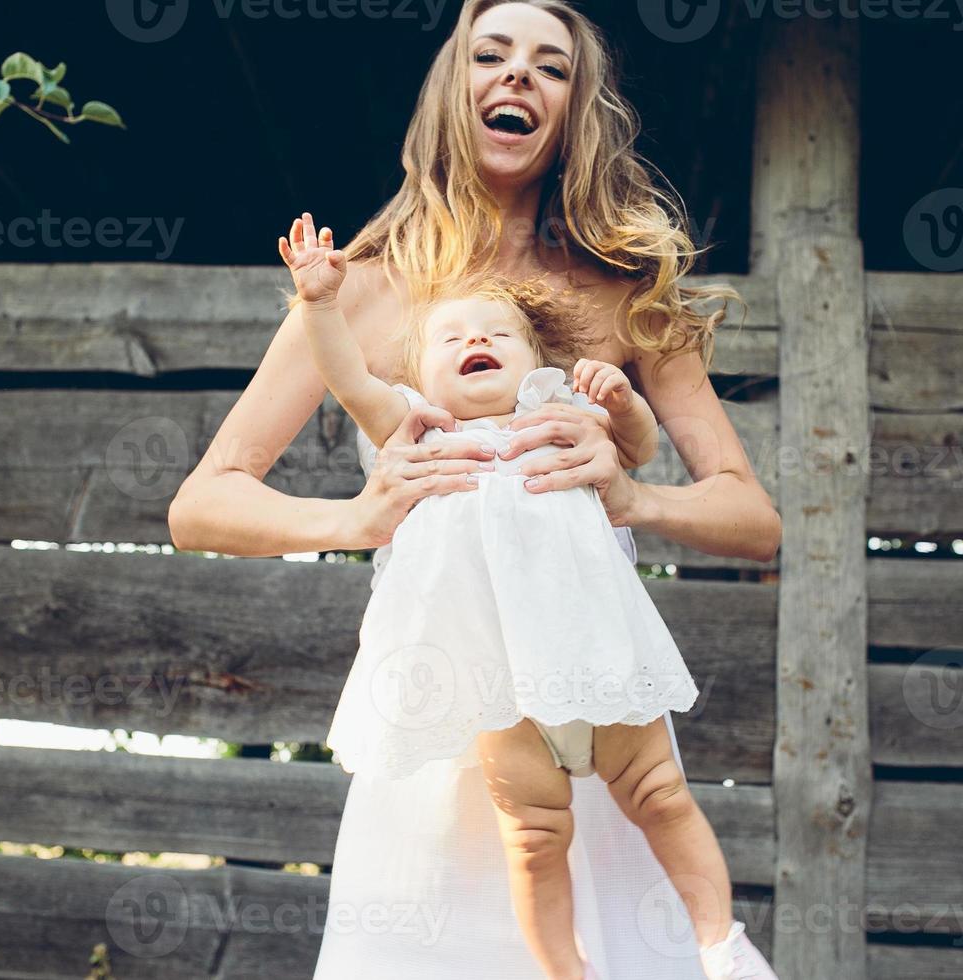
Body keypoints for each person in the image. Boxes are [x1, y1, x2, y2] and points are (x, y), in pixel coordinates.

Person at [168, 1, 782, 976]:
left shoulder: (624, 290)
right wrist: (357, 516)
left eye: (549, 66)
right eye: (489, 56)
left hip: (594, 714)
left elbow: (753, 516)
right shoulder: (362, 288)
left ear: (575, 105)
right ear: (453, 88)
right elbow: (203, 502)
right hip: (441, 718)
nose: (516, 78)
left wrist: (635, 497)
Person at [279, 211, 751, 979]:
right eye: (452, 337)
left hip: (595, 664)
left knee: (661, 797)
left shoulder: (557, 413)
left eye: (497, 334)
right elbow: (348, 376)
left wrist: (622, 401)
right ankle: (566, 972)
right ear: (421, 375)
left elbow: (638, 449)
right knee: (533, 840)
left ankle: (715, 940)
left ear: (538, 361)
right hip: (499, 688)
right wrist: (322, 304)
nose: (476, 342)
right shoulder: (418, 428)